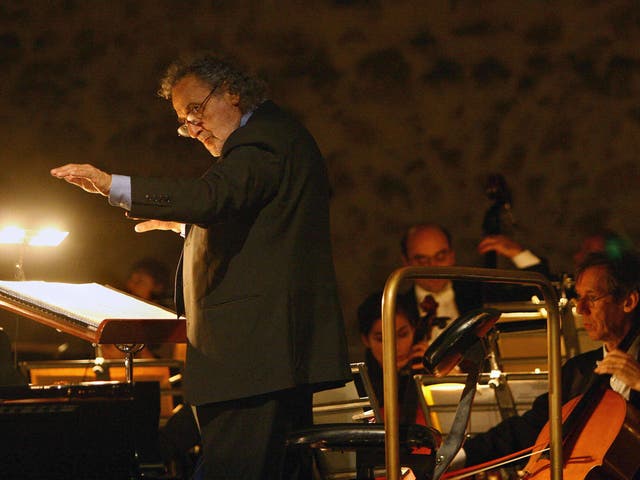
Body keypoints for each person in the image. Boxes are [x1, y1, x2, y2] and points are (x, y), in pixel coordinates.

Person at [51, 53, 350, 479]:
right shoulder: (268, 139)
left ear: (232, 92)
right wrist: (183, 226)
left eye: (196, 110)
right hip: (264, 361)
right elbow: (257, 222)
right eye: (183, 120)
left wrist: (111, 185)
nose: (193, 128)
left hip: (254, 362)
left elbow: (212, 198)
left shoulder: (263, 140)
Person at [453, 249, 640, 473]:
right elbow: (529, 428)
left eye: (592, 298)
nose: (580, 310)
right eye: (578, 297)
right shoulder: (577, 371)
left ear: (628, 301)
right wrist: (458, 457)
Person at [398, 223, 549, 341]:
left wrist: (519, 254)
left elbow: (542, 296)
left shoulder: (480, 294)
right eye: (422, 260)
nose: (432, 267)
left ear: (452, 256)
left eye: (440, 256)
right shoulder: (394, 308)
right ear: (406, 262)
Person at [357, 291, 431, 479]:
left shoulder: (430, 379)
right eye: (381, 339)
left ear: (415, 330)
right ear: (366, 340)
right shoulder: (358, 389)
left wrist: (435, 376)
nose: (394, 346)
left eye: (402, 334)